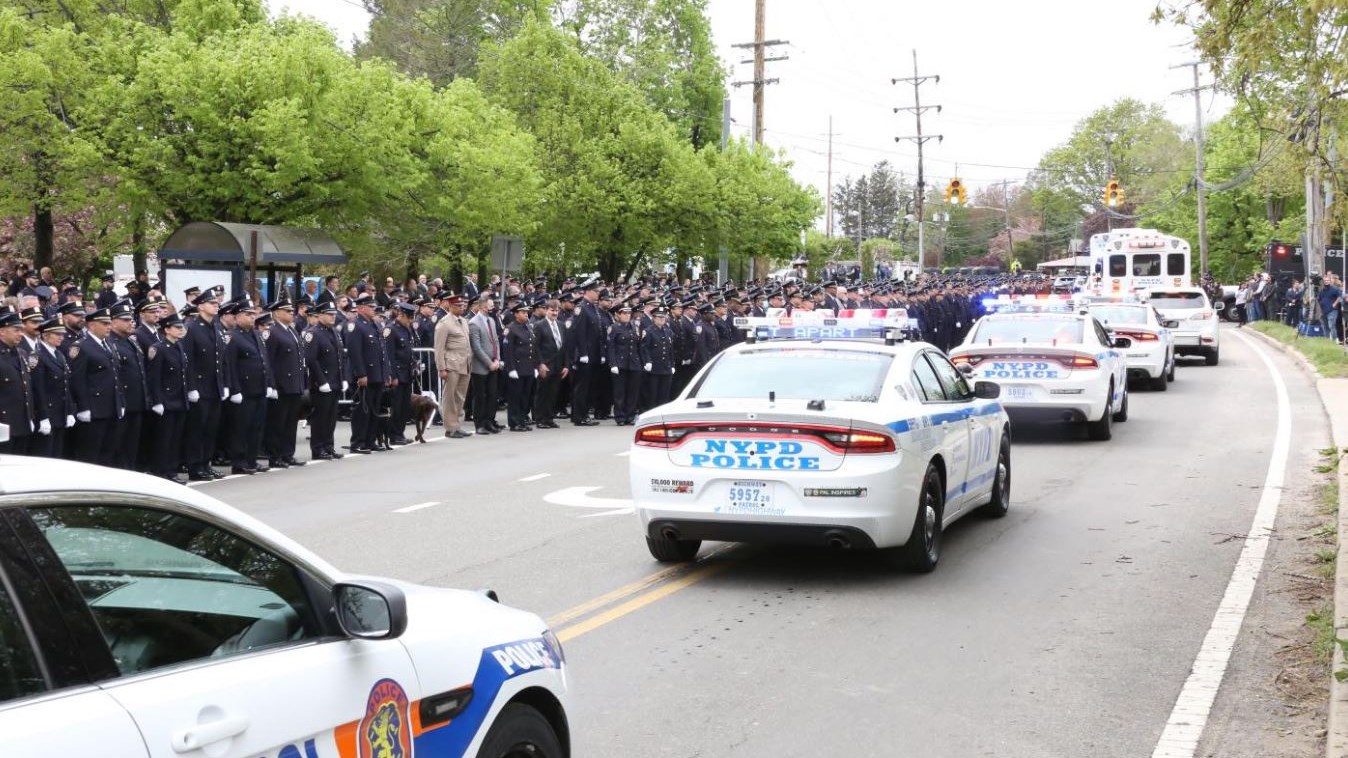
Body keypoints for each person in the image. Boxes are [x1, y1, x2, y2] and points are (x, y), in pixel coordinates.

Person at [69, 307, 125, 467]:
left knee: (107, 451)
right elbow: (77, 380)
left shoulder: (108, 344)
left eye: (109, 323)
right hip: (94, 409)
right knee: (90, 453)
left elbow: (115, 376)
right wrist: (83, 407)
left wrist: (120, 402)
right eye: (104, 323)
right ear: (92, 325)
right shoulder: (82, 346)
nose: (109, 326)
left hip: (111, 407)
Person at [224, 302, 273, 474]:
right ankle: (239, 462)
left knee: (256, 427)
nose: (252, 317)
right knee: (241, 428)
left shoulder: (257, 335)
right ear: (237, 317)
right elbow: (230, 366)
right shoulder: (232, 337)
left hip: (259, 388)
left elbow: (264, 361)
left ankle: (251, 460)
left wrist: (269, 384)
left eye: (253, 315)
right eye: (248, 314)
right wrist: (234, 389)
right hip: (243, 390)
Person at [147, 312, 190, 481]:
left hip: (179, 399)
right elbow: (154, 377)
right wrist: (157, 401)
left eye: (181, 327)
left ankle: (171, 470)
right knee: (164, 439)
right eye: (177, 327)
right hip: (166, 400)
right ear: (167, 329)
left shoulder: (178, 346)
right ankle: (161, 470)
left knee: (175, 438)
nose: (181, 330)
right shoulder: (158, 348)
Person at [264, 298, 307, 467]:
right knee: (278, 423)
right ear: (277, 313)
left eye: (292, 311)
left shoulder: (292, 331)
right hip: (281, 385)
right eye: (288, 311)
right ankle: (275, 456)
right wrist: (272, 385)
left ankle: (287, 453)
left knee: (290, 422)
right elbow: (269, 362)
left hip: (294, 384)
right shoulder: (272, 332)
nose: (292, 314)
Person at [345, 293, 390, 454]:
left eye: (374, 307)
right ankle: (357, 442)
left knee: (373, 410)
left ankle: (370, 441)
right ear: (361, 308)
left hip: (376, 374)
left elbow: (382, 352)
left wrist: (386, 373)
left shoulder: (375, 325)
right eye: (370, 307)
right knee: (361, 411)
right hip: (365, 375)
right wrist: (361, 374)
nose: (374, 309)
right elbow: (355, 353)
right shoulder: (356, 325)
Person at [109, 301, 149, 471]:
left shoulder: (131, 341)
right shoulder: (112, 343)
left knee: (133, 444)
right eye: (125, 320)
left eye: (131, 319)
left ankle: (131, 471)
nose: (130, 322)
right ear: (113, 322)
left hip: (137, 402)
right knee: (120, 445)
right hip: (123, 403)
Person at [303, 301, 344, 460]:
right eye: (329, 314)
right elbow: (311, 360)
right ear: (319, 315)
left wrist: (343, 378)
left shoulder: (333, 331)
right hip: (321, 384)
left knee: (331, 418)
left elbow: (341, 357)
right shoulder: (314, 333)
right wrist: (321, 381)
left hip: (334, 381)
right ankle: (318, 448)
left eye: (334, 314)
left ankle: (329, 446)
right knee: (320, 418)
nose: (333, 317)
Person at [30, 317, 74, 459]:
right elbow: (38, 389)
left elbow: (65, 386)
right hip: (47, 414)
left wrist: (69, 411)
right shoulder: (37, 356)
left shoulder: (59, 354)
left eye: (62, 334)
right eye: (57, 334)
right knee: (45, 455)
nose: (61, 337)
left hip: (60, 413)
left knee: (57, 455)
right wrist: (43, 417)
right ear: (45, 335)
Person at [432, 292, 472, 439]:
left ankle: (457, 424)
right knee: (450, 396)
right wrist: (441, 368)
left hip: (464, 363)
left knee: (460, 396)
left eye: (463, 305)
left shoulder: (464, 321)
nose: (462, 307)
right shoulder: (444, 323)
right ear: (450, 306)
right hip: (451, 364)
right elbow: (439, 348)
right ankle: (450, 427)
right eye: (458, 305)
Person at [0, 310, 35, 455]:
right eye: (16, 330)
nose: (20, 334)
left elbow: (26, 389)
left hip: (21, 423)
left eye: (21, 330)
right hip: (3, 425)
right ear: (2, 331)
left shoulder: (21, 353)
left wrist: (30, 417)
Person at [568, 281, 603, 426]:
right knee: (582, 387)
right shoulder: (581, 308)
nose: (598, 294)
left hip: (593, 353)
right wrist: (582, 353)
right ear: (588, 291)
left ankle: (583, 414)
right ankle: (579, 416)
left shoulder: (592, 308)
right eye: (596, 291)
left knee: (588, 386)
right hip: (585, 354)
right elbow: (579, 332)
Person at [468, 295, 502, 434]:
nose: (492, 307)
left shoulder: (492, 321)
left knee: (492, 395)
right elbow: (476, 347)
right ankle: (479, 424)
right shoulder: (473, 323)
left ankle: (489, 421)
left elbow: (496, 341)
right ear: (482, 306)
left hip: (493, 364)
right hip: (480, 366)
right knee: (480, 395)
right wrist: (489, 363)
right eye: (490, 305)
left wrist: (497, 359)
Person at [385, 302, 418, 445]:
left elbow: (409, 350)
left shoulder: (407, 329)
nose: (411, 321)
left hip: (407, 372)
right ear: (401, 315)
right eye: (409, 318)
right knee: (396, 406)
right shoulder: (391, 330)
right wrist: (393, 376)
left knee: (404, 406)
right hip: (398, 373)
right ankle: (394, 434)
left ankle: (400, 432)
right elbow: (389, 356)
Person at [531, 299, 567, 430]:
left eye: (557, 310)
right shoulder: (539, 325)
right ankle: (540, 419)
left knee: (553, 393)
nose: (555, 313)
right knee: (542, 393)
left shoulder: (561, 325)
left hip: (558, 365)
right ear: (546, 310)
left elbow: (564, 347)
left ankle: (549, 418)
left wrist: (566, 365)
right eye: (552, 310)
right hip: (545, 364)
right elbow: (536, 347)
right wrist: (540, 364)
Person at [607, 304, 644, 425]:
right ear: (618, 314)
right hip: (620, 364)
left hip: (634, 363)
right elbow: (610, 347)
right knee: (620, 392)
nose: (627, 316)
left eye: (629, 313)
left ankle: (630, 415)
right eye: (624, 313)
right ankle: (620, 416)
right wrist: (613, 364)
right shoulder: (614, 328)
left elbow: (638, 346)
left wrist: (641, 362)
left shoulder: (634, 327)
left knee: (632, 392)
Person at [641, 307, 676, 409]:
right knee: (652, 394)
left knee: (664, 394)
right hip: (654, 367)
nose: (661, 319)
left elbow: (670, 350)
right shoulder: (648, 331)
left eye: (663, 317)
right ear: (654, 318)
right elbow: (645, 348)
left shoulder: (668, 331)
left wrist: (672, 365)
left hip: (666, 367)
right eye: (659, 317)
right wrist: (647, 361)